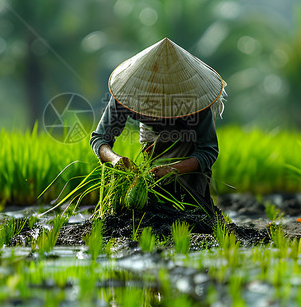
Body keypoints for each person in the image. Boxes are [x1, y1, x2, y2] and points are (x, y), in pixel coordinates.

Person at [90, 37, 226, 214]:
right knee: (148, 210)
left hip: (188, 156)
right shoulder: (127, 94)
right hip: (152, 147)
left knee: (193, 216)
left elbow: (208, 151)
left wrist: (173, 169)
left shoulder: (196, 100)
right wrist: (116, 160)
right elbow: (100, 139)